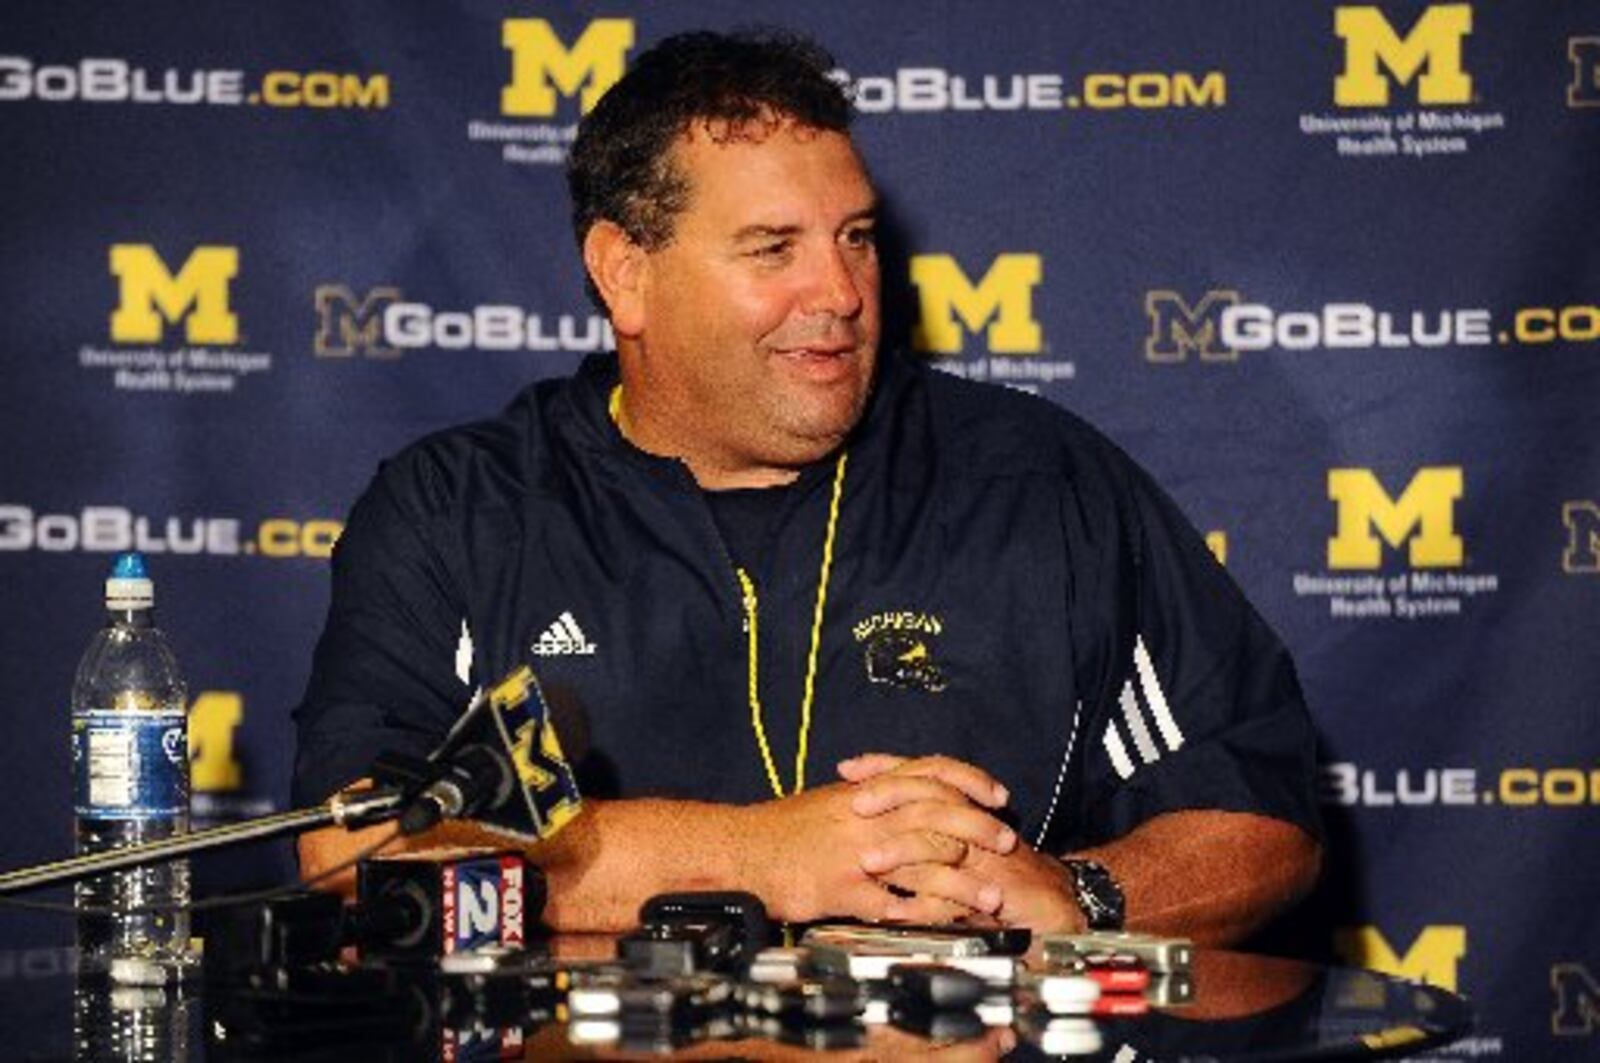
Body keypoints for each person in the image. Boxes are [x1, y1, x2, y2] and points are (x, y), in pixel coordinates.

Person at [294, 30, 1321, 939]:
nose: (837, 294)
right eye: (771, 248)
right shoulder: (460, 510)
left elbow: (1262, 816)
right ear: (625, 275)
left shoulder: (1036, 482)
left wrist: (1082, 892)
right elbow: (356, 851)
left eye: (855, 239)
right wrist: (762, 859)